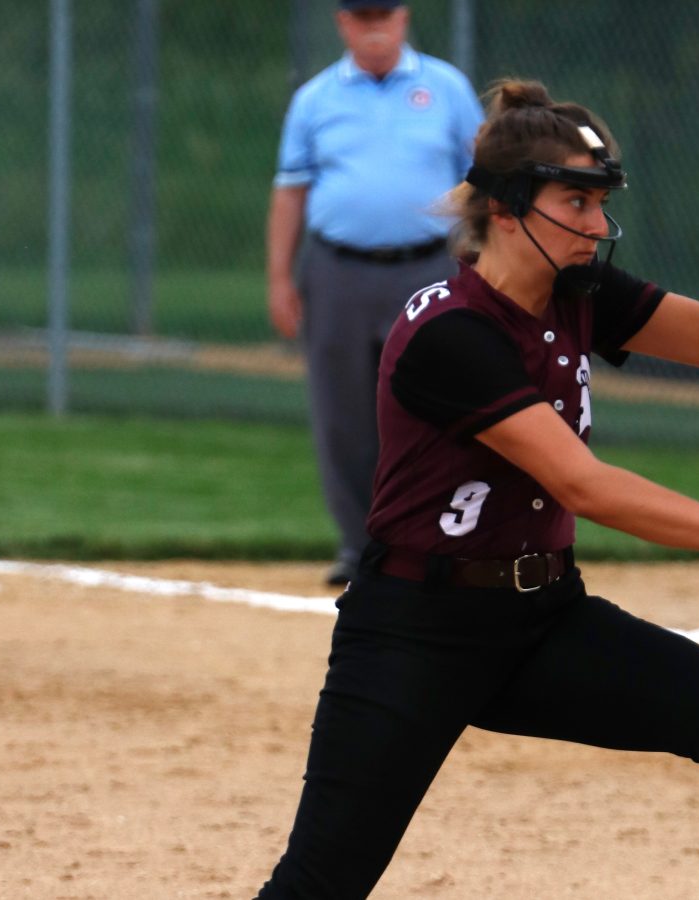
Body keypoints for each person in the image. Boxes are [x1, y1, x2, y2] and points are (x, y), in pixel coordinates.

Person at [255, 79, 699, 900]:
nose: (597, 224)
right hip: (415, 636)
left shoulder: (578, 291)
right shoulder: (451, 333)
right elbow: (583, 485)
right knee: (319, 883)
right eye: (575, 202)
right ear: (507, 209)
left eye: (599, 202)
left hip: (543, 623)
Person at [266, 0, 484, 586]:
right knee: (343, 413)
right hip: (337, 270)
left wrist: (480, 264)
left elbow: (482, 178)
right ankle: (358, 545)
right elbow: (291, 191)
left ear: (405, 18)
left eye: (384, 16)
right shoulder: (315, 99)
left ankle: (435, 539)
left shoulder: (446, 88)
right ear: (343, 24)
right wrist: (280, 278)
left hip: (428, 267)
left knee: (433, 407)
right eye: (363, 18)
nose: (376, 29)